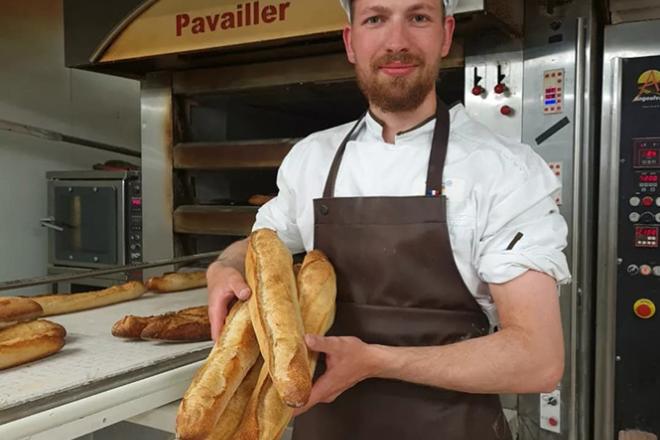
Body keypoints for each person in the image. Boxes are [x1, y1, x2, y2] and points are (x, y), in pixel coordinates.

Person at [206, 0, 571, 438]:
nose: (396, 42)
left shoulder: (503, 169)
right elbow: (263, 243)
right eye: (375, 19)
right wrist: (225, 267)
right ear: (351, 41)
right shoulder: (312, 159)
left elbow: (538, 359)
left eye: (418, 18)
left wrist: (378, 362)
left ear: (446, 35)